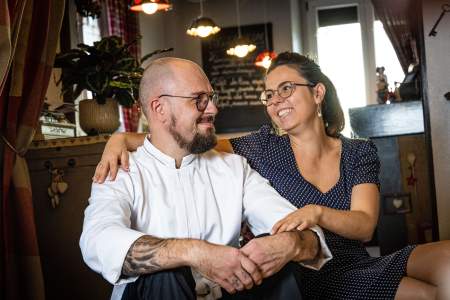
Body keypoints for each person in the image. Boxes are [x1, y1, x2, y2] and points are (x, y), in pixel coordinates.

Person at [94, 52, 450, 300]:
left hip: (340, 263)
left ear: (318, 93)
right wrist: (120, 137)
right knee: (168, 276)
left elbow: (353, 227)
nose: (274, 100)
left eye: (286, 89)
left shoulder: (354, 152)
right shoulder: (258, 148)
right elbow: (186, 143)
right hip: (303, 276)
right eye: (269, 94)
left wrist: (301, 229)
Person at [80, 57, 333, 300]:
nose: (213, 109)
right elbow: (97, 240)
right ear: (160, 108)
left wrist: (288, 244)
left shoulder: (234, 168)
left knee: (283, 265)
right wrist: (195, 253)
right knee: (164, 275)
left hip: (229, 292)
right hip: (154, 293)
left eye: (211, 98)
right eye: (199, 100)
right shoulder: (120, 170)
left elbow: (305, 233)